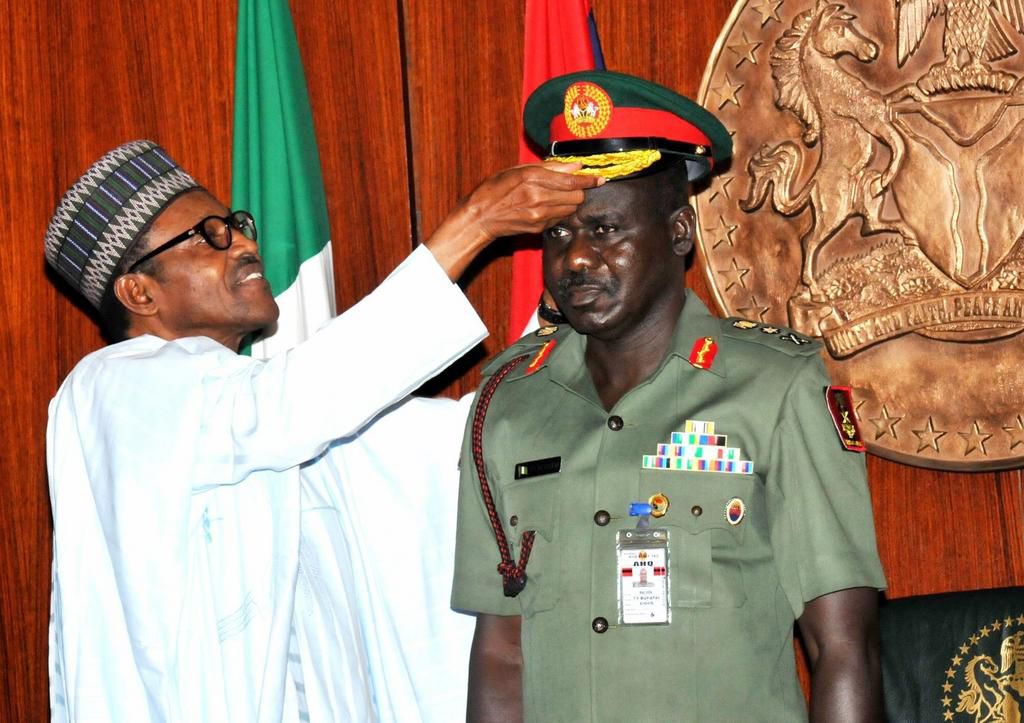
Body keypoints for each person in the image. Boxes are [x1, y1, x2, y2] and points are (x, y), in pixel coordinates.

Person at [43, 139, 600, 722]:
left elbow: (468, 442)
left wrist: (559, 321)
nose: (244, 243)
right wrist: (476, 223)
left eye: (236, 225)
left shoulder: (260, 416)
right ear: (139, 291)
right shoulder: (111, 391)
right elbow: (286, 405)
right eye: (209, 235)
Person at [451, 70, 887, 722]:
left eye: (605, 231)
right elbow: (501, 653)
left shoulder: (774, 388)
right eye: (559, 235)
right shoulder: (509, 404)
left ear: (679, 232)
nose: (575, 261)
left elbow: (842, 646)